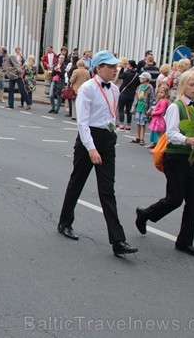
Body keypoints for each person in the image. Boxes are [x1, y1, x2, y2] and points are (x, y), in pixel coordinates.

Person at [57, 50, 138, 257]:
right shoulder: (88, 89)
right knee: (77, 182)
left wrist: (113, 132)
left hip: (107, 139)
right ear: (99, 68)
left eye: (116, 67)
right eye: (111, 67)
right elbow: (82, 122)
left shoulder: (115, 90)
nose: (115, 70)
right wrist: (91, 148)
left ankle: (118, 240)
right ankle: (64, 223)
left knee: (107, 190)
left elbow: (110, 115)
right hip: (88, 140)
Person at [135, 70, 194, 256]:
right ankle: (145, 214)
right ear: (183, 86)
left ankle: (184, 241)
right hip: (175, 157)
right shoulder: (177, 107)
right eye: (192, 85)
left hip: (191, 159)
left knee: (193, 200)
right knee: (175, 199)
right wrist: (188, 140)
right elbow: (172, 133)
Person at [130, 72, 154, 146]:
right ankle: (138, 136)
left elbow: (151, 99)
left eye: (142, 78)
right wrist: (133, 107)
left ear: (146, 79)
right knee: (137, 122)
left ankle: (142, 138)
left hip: (144, 107)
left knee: (143, 123)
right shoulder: (139, 87)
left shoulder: (149, 87)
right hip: (138, 106)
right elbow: (135, 98)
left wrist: (150, 109)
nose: (140, 79)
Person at [117, 60, 138, 131]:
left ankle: (122, 124)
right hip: (131, 94)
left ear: (130, 65)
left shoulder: (126, 73)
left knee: (121, 109)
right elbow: (138, 83)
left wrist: (122, 68)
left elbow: (120, 76)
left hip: (124, 93)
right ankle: (128, 125)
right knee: (128, 110)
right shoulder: (136, 75)